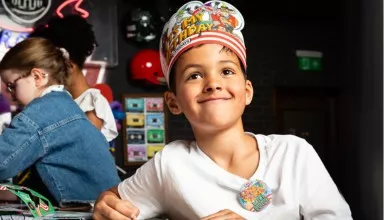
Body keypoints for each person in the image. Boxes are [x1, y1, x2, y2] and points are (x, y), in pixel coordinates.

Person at [93, 1, 353, 219]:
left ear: (247, 91)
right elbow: (115, 200)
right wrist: (106, 201)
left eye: (227, 71)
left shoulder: (293, 154)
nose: (213, 83)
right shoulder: (171, 164)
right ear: (174, 102)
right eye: (194, 75)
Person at [0, 37, 120, 206]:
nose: (10, 95)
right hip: (108, 205)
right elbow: (56, 176)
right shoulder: (68, 106)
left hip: (85, 211)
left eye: (12, 85)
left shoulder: (38, 114)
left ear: (37, 76)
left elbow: (3, 162)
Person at [28, 14, 118, 142]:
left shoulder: (92, 104)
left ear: (68, 66)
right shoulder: (57, 101)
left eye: (47, 69)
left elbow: (82, 150)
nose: (43, 77)